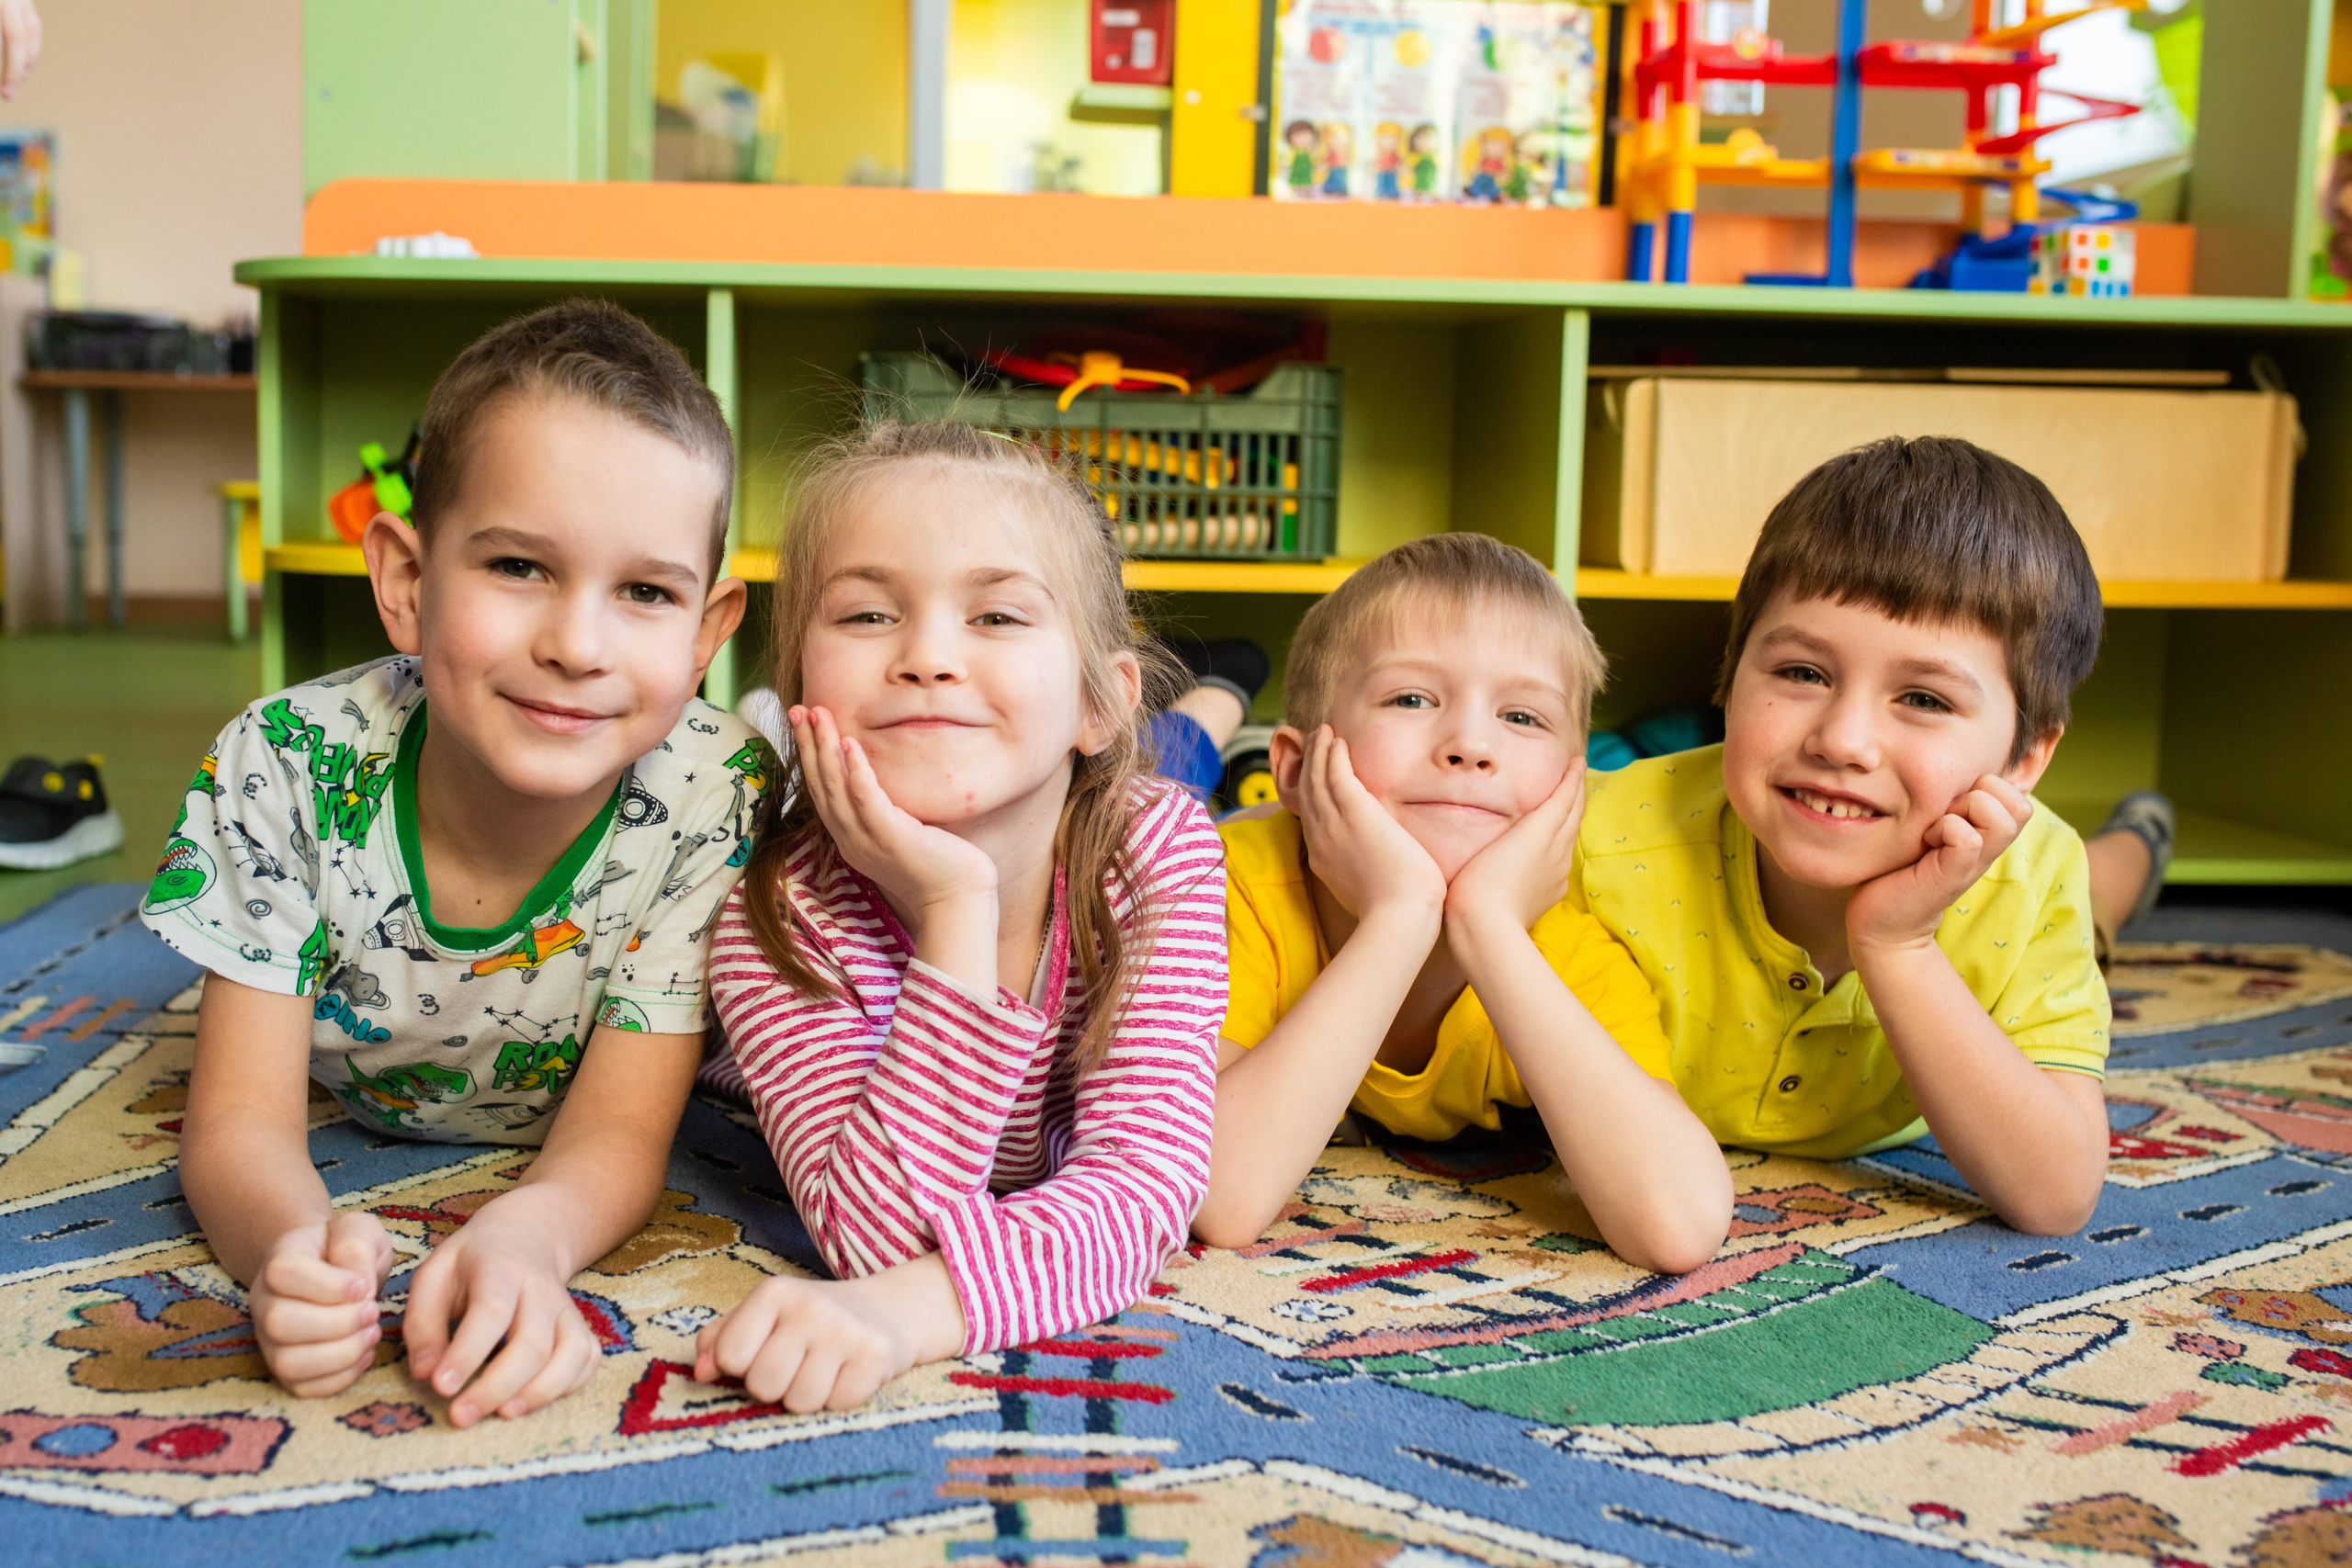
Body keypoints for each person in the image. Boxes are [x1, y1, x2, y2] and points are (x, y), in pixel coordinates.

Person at [146, 300, 763, 1423]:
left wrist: (527, 1241)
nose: (577, 645)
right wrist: (292, 1252)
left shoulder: (716, 792)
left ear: (707, 632)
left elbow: (623, 1132)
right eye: (520, 566)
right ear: (406, 582)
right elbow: (237, 1123)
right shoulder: (280, 764)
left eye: (645, 593)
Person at [695, 422, 1225, 1413]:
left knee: (1190, 761)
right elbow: (877, 1239)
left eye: (997, 618)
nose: (929, 657)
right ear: (799, 687)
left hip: (1129, 782)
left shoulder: (1157, 852)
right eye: (864, 616)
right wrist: (955, 908)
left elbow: (1146, 1191)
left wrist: (914, 1312)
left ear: (1095, 707)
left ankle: (1219, 702)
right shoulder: (775, 912)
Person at [1573, 435, 2114, 1235]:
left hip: (2030, 881)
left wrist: (1898, 946)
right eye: (1802, 673)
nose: (1843, 740)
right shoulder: (1594, 840)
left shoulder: (2034, 874)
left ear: (2028, 756)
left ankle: (2136, 840)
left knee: (2105, 898)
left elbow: (2056, 1196)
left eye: (1924, 699)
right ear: (1730, 672)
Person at [1194, 534, 1732, 1273]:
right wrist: (1399, 917)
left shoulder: (1569, 940)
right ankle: (1203, 707)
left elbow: (1679, 1226)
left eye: (1523, 717)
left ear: (1576, 788)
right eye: (1411, 698)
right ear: (1293, 769)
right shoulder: (1229, 890)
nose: (1472, 744)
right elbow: (1217, 1195)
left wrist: (1488, 927)